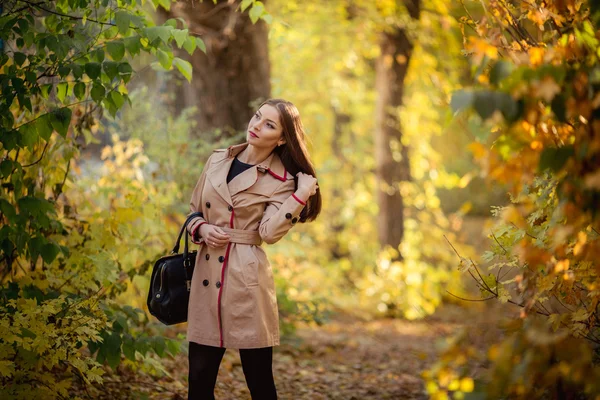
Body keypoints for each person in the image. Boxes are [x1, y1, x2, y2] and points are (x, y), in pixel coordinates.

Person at [184, 98, 321, 399]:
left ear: (282, 138)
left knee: (259, 381)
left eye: (269, 124)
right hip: (207, 274)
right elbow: (194, 210)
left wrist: (299, 195)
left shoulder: (282, 180)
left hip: (245, 280)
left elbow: (269, 233)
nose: (256, 126)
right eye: (257, 117)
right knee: (199, 378)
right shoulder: (217, 159)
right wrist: (202, 228)